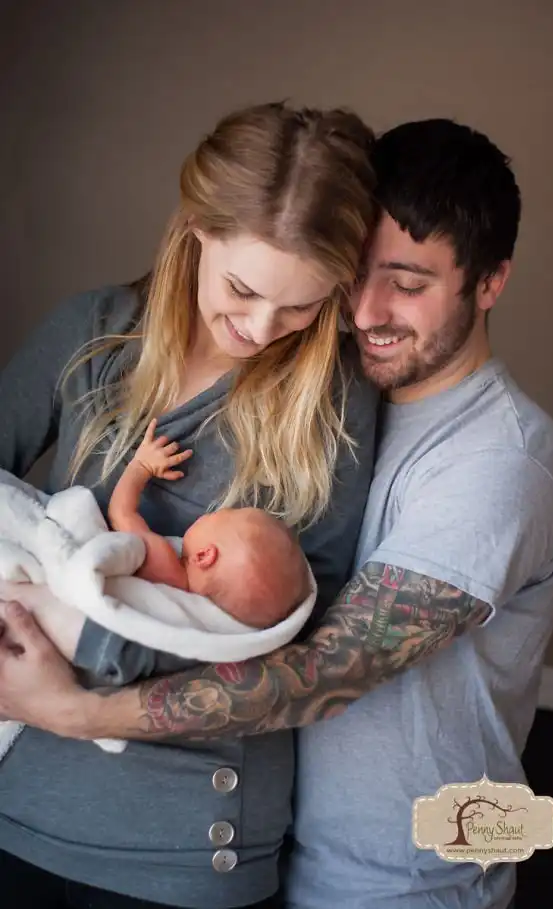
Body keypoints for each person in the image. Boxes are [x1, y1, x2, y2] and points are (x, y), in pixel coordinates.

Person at [0, 118, 553, 909]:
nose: (365, 312)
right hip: (270, 842)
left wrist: (76, 702)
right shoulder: (105, 337)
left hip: (395, 876)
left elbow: (322, 663)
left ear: (490, 282)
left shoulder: (490, 459)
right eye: (353, 280)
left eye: (407, 284)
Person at [0, 100, 379, 909]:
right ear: (196, 226)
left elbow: (302, 639)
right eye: (242, 288)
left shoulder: (334, 401)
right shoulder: (92, 335)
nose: (262, 328)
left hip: (185, 841)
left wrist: (98, 664)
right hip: (16, 797)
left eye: (302, 305)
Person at [108, 418, 311, 628]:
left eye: (222, 515)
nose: (214, 511)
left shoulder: (165, 567)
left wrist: (141, 466)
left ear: (204, 556)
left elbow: (120, 513)